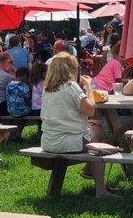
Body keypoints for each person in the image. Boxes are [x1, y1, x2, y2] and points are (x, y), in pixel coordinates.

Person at [40, 52, 115, 198]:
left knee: (94, 127)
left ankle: (90, 167)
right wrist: (89, 88)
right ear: (71, 69)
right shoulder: (71, 86)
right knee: (98, 134)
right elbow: (91, 109)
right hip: (69, 143)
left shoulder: (47, 89)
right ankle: (100, 188)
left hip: (48, 141)